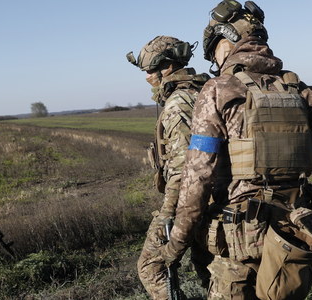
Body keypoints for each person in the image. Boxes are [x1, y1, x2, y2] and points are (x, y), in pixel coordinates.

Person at [158, 1, 312, 299]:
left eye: (214, 51)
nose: (215, 60)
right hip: (294, 238)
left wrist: (175, 244)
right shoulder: (303, 91)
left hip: (238, 245)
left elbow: (197, 177)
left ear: (225, 42)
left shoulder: (218, 90)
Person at [126, 36, 211, 299]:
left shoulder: (178, 102)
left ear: (169, 66)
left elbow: (185, 168)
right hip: (212, 198)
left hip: (187, 200)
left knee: (151, 268)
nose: (148, 77)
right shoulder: (205, 91)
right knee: (210, 271)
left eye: (151, 70)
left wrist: (168, 214)